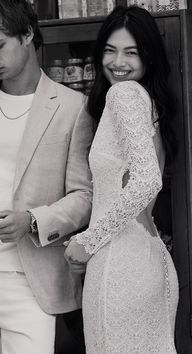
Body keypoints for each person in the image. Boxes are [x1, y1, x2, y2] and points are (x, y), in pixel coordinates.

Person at [65, 5, 179, 354]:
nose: (118, 62)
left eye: (131, 52)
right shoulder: (149, 100)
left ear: (148, 56)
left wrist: (88, 240)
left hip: (119, 264)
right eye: (110, 50)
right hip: (150, 256)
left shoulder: (125, 94)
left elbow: (146, 181)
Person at [0, 0, 93, 353]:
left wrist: (32, 220)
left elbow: (83, 196)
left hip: (31, 282)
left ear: (27, 35)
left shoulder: (72, 107)